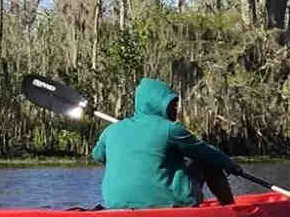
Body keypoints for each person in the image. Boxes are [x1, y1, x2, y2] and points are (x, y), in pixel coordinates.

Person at [92, 78, 238, 209]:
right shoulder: (170, 129)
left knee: (187, 164)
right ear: (157, 105)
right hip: (167, 203)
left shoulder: (111, 130)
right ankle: (232, 213)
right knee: (209, 163)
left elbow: (98, 155)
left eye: (175, 104)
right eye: (171, 104)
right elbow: (206, 153)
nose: (175, 109)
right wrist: (230, 165)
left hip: (117, 204)